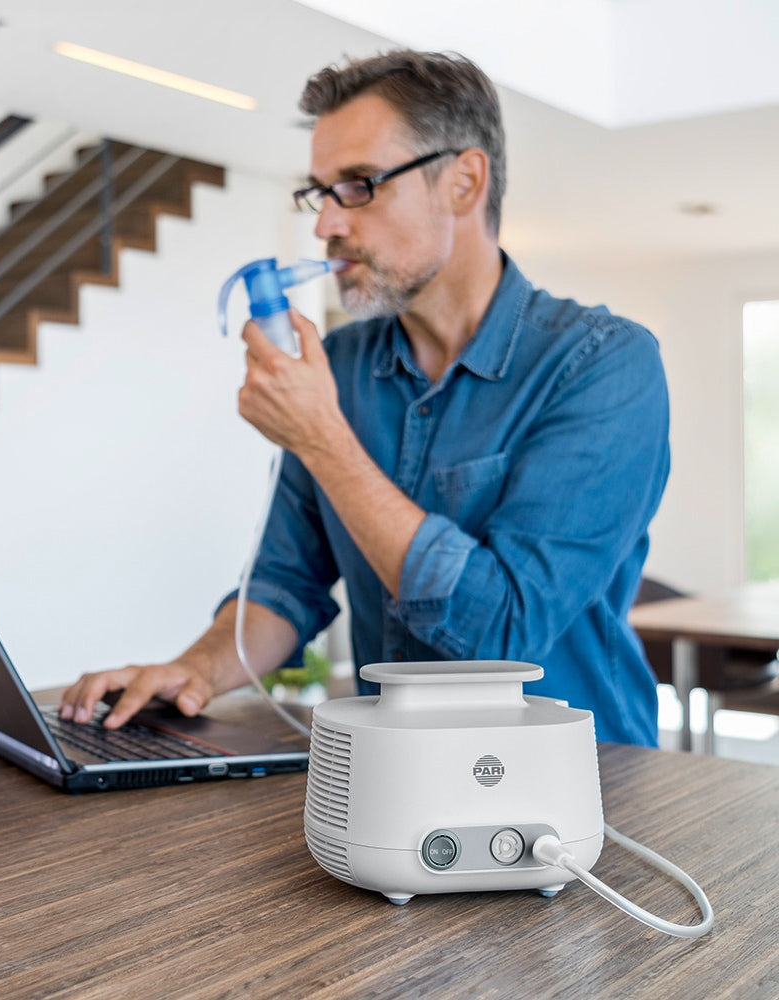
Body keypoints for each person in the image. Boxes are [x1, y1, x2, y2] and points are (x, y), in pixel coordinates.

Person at [61, 49, 670, 746]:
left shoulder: (603, 364)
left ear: (464, 182)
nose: (326, 224)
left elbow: (504, 633)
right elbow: (286, 585)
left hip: (583, 790)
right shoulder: (341, 366)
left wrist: (323, 439)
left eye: (358, 185)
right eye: (319, 192)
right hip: (391, 775)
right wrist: (190, 670)